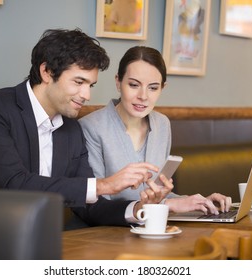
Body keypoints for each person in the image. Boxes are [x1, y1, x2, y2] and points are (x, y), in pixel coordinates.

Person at [0, 29, 173, 228]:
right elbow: (16, 184)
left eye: (90, 85)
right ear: (47, 72)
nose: (86, 95)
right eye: (79, 82)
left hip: (47, 244)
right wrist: (104, 185)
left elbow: (90, 206)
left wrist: (138, 210)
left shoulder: (71, 129)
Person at [79, 46, 232, 215]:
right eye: (134, 85)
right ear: (118, 82)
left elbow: (157, 197)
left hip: (149, 228)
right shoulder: (91, 127)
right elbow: (96, 203)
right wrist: (164, 205)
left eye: (153, 87)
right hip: (106, 232)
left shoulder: (162, 124)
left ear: (162, 88)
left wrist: (197, 203)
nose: (143, 96)